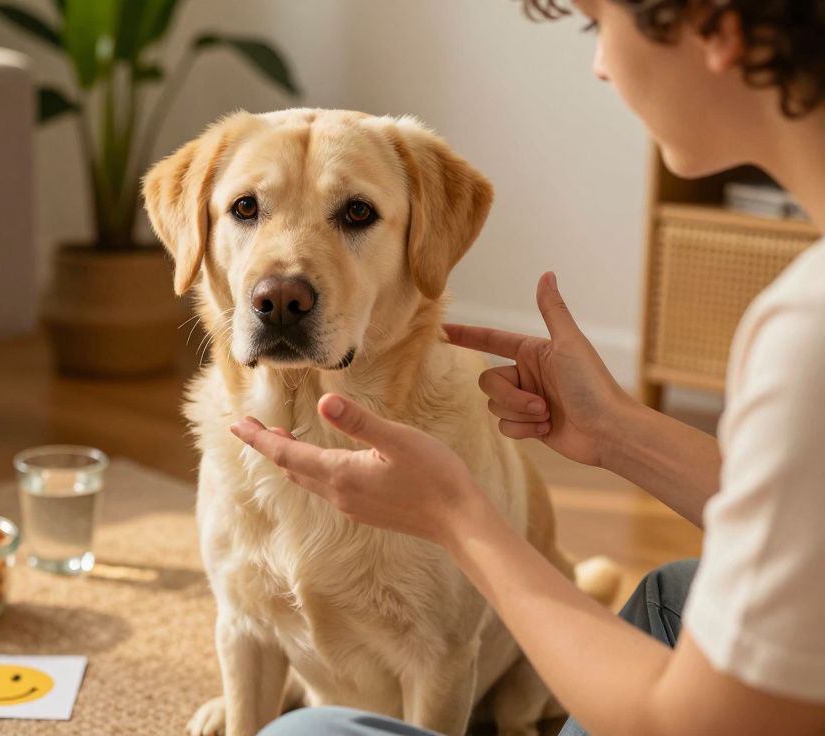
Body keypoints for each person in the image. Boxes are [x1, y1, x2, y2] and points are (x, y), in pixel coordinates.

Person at [241, 1, 825, 734]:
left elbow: (699, 724)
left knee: (304, 732)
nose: (600, 65)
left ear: (718, 26)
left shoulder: (807, 331)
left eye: (595, 24)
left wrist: (459, 520)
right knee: (678, 589)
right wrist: (615, 432)